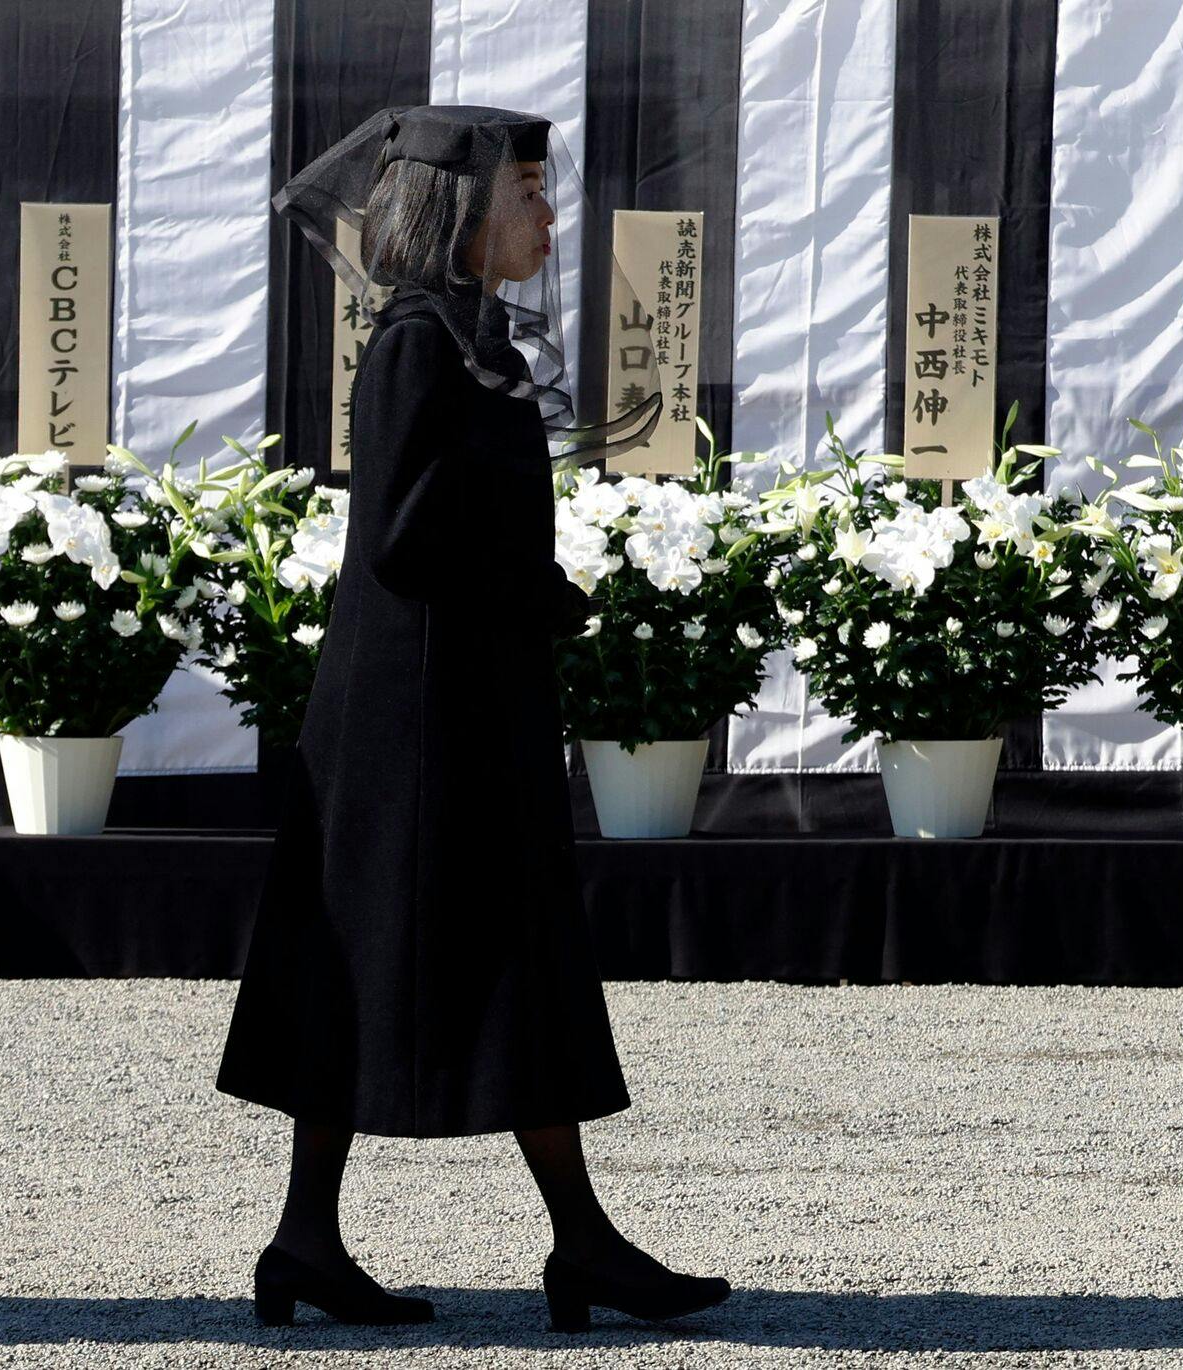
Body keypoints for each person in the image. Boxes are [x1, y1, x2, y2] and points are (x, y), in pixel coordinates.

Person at [214, 105, 726, 1334]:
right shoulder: (416, 343)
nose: (549, 215)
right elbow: (404, 535)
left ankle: (346, 1239)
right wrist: (538, 587)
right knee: (436, 956)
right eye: (528, 193)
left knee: (478, 954)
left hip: (456, 698)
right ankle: (548, 1242)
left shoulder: (464, 336)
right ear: (462, 212)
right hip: (419, 718)